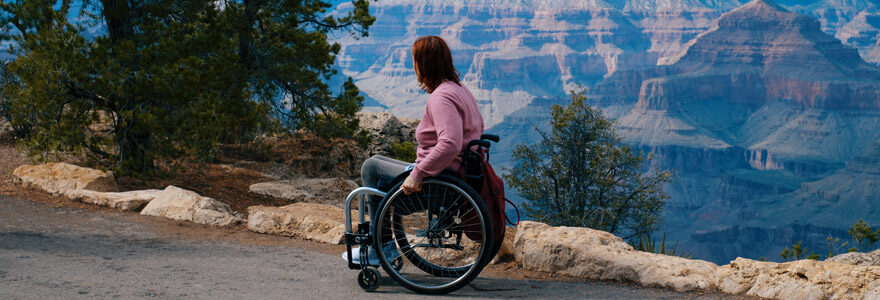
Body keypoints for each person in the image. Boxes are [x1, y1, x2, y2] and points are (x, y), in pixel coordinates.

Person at [347, 35, 485, 266]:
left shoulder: (441, 97)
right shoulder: (459, 89)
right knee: (378, 161)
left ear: (424, 63)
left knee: (371, 167)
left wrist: (417, 173)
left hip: (439, 179)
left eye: (414, 61)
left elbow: (450, 142)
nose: (412, 66)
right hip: (453, 172)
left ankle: (379, 245)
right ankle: (382, 243)